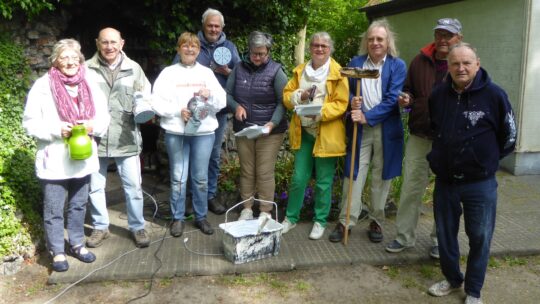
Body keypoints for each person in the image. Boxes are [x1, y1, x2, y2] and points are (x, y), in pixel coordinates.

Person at [426, 43, 516, 304]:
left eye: (466, 63)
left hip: (481, 184)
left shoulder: (495, 95)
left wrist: (485, 161)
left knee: (479, 236)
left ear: (477, 63)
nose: (461, 68)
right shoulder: (439, 95)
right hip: (446, 183)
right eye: (455, 63)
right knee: (445, 235)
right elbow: (435, 127)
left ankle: (474, 290)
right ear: (449, 67)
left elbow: (509, 135)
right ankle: (453, 279)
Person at [23, 39, 109, 272]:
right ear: (55, 61)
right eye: (64, 57)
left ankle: (77, 244)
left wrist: (91, 126)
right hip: (55, 159)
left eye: (74, 57)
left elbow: (104, 116)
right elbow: (29, 123)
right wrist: (56, 130)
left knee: (79, 205)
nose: (70, 62)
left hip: (82, 158)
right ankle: (57, 252)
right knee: (53, 210)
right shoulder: (43, 85)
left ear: (80, 59)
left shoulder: (90, 82)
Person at [385, 18, 463, 258]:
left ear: (457, 38)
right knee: (411, 188)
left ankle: (441, 240)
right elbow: (409, 88)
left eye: (448, 35)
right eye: (439, 33)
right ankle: (404, 237)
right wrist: (406, 99)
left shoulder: (462, 62)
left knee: (446, 192)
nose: (442, 39)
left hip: (449, 139)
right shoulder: (420, 61)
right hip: (420, 135)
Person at [328, 19, 406, 243]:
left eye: (379, 39)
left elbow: (393, 98)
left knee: (382, 175)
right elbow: (347, 91)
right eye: (371, 39)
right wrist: (353, 102)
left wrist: (367, 116)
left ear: (387, 41)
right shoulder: (356, 63)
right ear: (366, 42)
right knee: (354, 173)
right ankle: (346, 221)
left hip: (385, 128)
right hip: (359, 130)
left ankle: (376, 220)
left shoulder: (397, 65)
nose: (375, 43)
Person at [152, 32, 226, 236]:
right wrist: (178, 111)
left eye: (194, 46)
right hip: (176, 132)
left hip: (203, 133)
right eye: (185, 46)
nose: (190, 49)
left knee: (200, 178)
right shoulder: (168, 73)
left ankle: (201, 217)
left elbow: (222, 101)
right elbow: (156, 101)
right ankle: (178, 218)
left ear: (199, 50)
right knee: (178, 177)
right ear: (179, 49)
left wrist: (209, 95)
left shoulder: (207, 74)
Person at [85, 28, 152, 248]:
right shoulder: (86, 69)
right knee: (95, 186)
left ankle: (137, 226)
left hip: (126, 138)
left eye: (113, 42)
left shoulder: (134, 69)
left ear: (122, 43)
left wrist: (143, 105)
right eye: (104, 42)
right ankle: (100, 226)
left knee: (133, 186)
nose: (109, 46)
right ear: (97, 43)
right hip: (95, 138)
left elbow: (146, 97)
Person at [173, 8, 241, 215]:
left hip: (216, 113)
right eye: (210, 25)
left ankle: (209, 195)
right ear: (203, 25)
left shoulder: (229, 47)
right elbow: (175, 74)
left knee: (212, 156)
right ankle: (188, 198)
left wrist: (227, 72)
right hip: (190, 113)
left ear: (222, 28)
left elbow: (241, 77)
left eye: (217, 26)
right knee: (186, 156)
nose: (213, 29)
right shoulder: (192, 45)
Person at [281, 32, 349, 240]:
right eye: (316, 45)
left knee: (323, 182)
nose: (319, 49)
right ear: (310, 48)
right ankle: (291, 219)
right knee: (298, 179)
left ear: (330, 49)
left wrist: (320, 113)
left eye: (324, 46)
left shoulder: (339, 73)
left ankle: (320, 221)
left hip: (326, 133)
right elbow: (286, 97)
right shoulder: (300, 71)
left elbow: (341, 103)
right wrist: (298, 96)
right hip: (303, 133)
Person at [226, 31, 288, 221]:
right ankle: (246, 208)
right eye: (254, 53)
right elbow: (227, 94)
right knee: (247, 170)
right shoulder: (238, 68)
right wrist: (236, 107)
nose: (258, 57)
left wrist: (273, 123)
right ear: (249, 51)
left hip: (269, 131)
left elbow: (283, 101)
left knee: (264, 171)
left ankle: (265, 211)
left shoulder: (277, 71)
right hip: (245, 129)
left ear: (268, 52)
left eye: (262, 54)